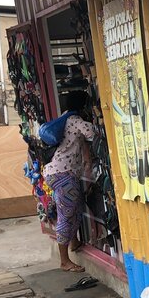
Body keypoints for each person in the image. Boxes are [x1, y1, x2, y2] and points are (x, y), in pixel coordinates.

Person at [45, 90, 95, 272]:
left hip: (57, 172)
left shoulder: (64, 118)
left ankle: (74, 242)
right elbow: (92, 133)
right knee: (66, 215)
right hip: (63, 174)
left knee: (76, 207)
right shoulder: (74, 121)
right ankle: (65, 261)